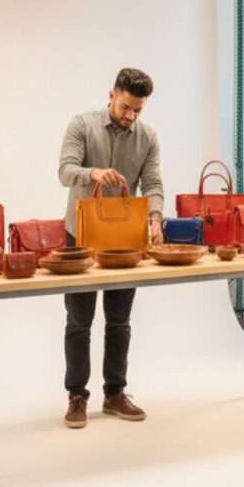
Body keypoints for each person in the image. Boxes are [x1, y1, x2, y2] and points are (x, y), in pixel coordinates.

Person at [58, 67, 164, 429]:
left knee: (119, 321)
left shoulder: (148, 138)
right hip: (81, 237)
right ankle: (77, 396)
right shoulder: (82, 125)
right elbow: (65, 171)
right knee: (79, 321)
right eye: (125, 107)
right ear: (111, 95)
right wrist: (93, 173)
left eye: (138, 110)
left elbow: (153, 183)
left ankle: (115, 393)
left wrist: (155, 218)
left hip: (125, 241)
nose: (130, 115)